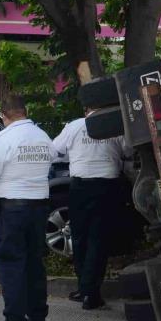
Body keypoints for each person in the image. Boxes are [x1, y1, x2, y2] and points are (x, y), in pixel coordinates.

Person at [0, 93, 57, 321]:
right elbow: (53, 160)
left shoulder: (3, 138)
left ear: (4, 115)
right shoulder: (43, 137)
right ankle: (38, 316)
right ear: (26, 110)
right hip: (39, 208)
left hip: (11, 210)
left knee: (10, 262)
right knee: (34, 261)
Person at [52, 107, 130, 309]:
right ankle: (91, 293)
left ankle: (83, 289)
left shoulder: (75, 126)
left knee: (79, 237)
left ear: (86, 109)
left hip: (80, 186)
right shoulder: (114, 127)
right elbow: (128, 150)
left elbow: (56, 151)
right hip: (106, 185)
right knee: (98, 238)